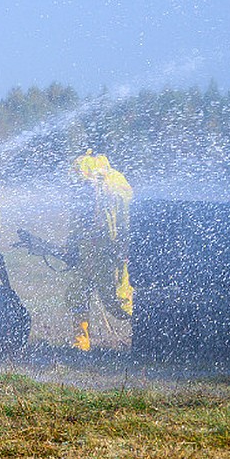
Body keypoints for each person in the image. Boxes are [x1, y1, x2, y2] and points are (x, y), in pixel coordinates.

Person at [66, 150, 133, 351]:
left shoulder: (116, 188)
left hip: (111, 254)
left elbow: (127, 221)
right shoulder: (85, 190)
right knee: (77, 293)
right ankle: (80, 343)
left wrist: (124, 248)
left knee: (120, 303)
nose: (77, 186)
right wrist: (71, 247)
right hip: (87, 251)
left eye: (81, 181)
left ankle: (147, 335)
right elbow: (77, 222)